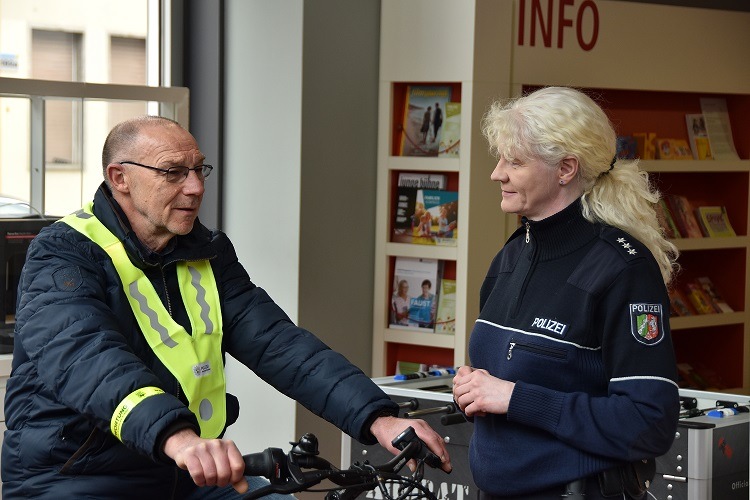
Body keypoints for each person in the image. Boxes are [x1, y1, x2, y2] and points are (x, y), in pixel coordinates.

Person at [1, 116, 451, 499]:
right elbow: (86, 357)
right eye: (173, 172)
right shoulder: (62, 253)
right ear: (120, 178)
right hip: (77, 476)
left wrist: (377, 417)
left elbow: (279, 344)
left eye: (199, 170)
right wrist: (177, 437)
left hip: (182, 471)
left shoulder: (206, 251)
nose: (195, 187)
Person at [451, 87, 680, 499]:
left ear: (566, 168)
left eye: (515, 161)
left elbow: (649, 422)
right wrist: (474, 391)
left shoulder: (623, 269)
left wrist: (514, 397)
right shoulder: (510, 256)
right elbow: (512, 386)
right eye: (500, 158)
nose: (497, 173)